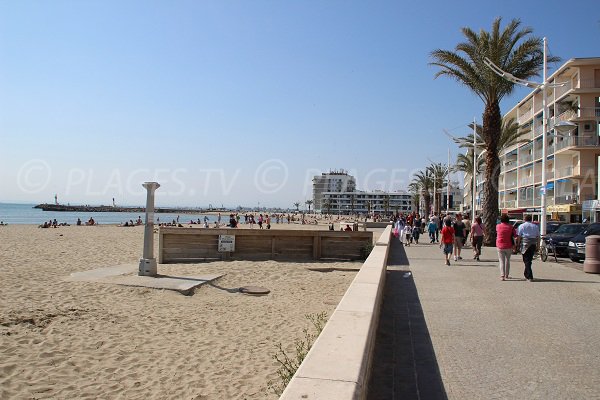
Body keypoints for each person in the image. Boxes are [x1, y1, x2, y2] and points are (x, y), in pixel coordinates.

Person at [516, 214, 540, 282]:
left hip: (525, 244)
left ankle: (529, 276)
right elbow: (538, 237)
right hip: (533, 244)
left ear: (525, 219)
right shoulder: (535, 226)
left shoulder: (522, 226)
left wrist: (518, 244)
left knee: (526, 260)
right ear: (530, 219)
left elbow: (519, 236)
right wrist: (538, 246)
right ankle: (526, 274)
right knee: (529, 260)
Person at [496, 214, 514, 280]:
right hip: (509, 245)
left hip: (500, 245)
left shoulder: (498, 226)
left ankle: (502, 275)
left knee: (501, 261)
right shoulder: (511, 227)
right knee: (508, 260)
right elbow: (514, 234)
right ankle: (507, 275)